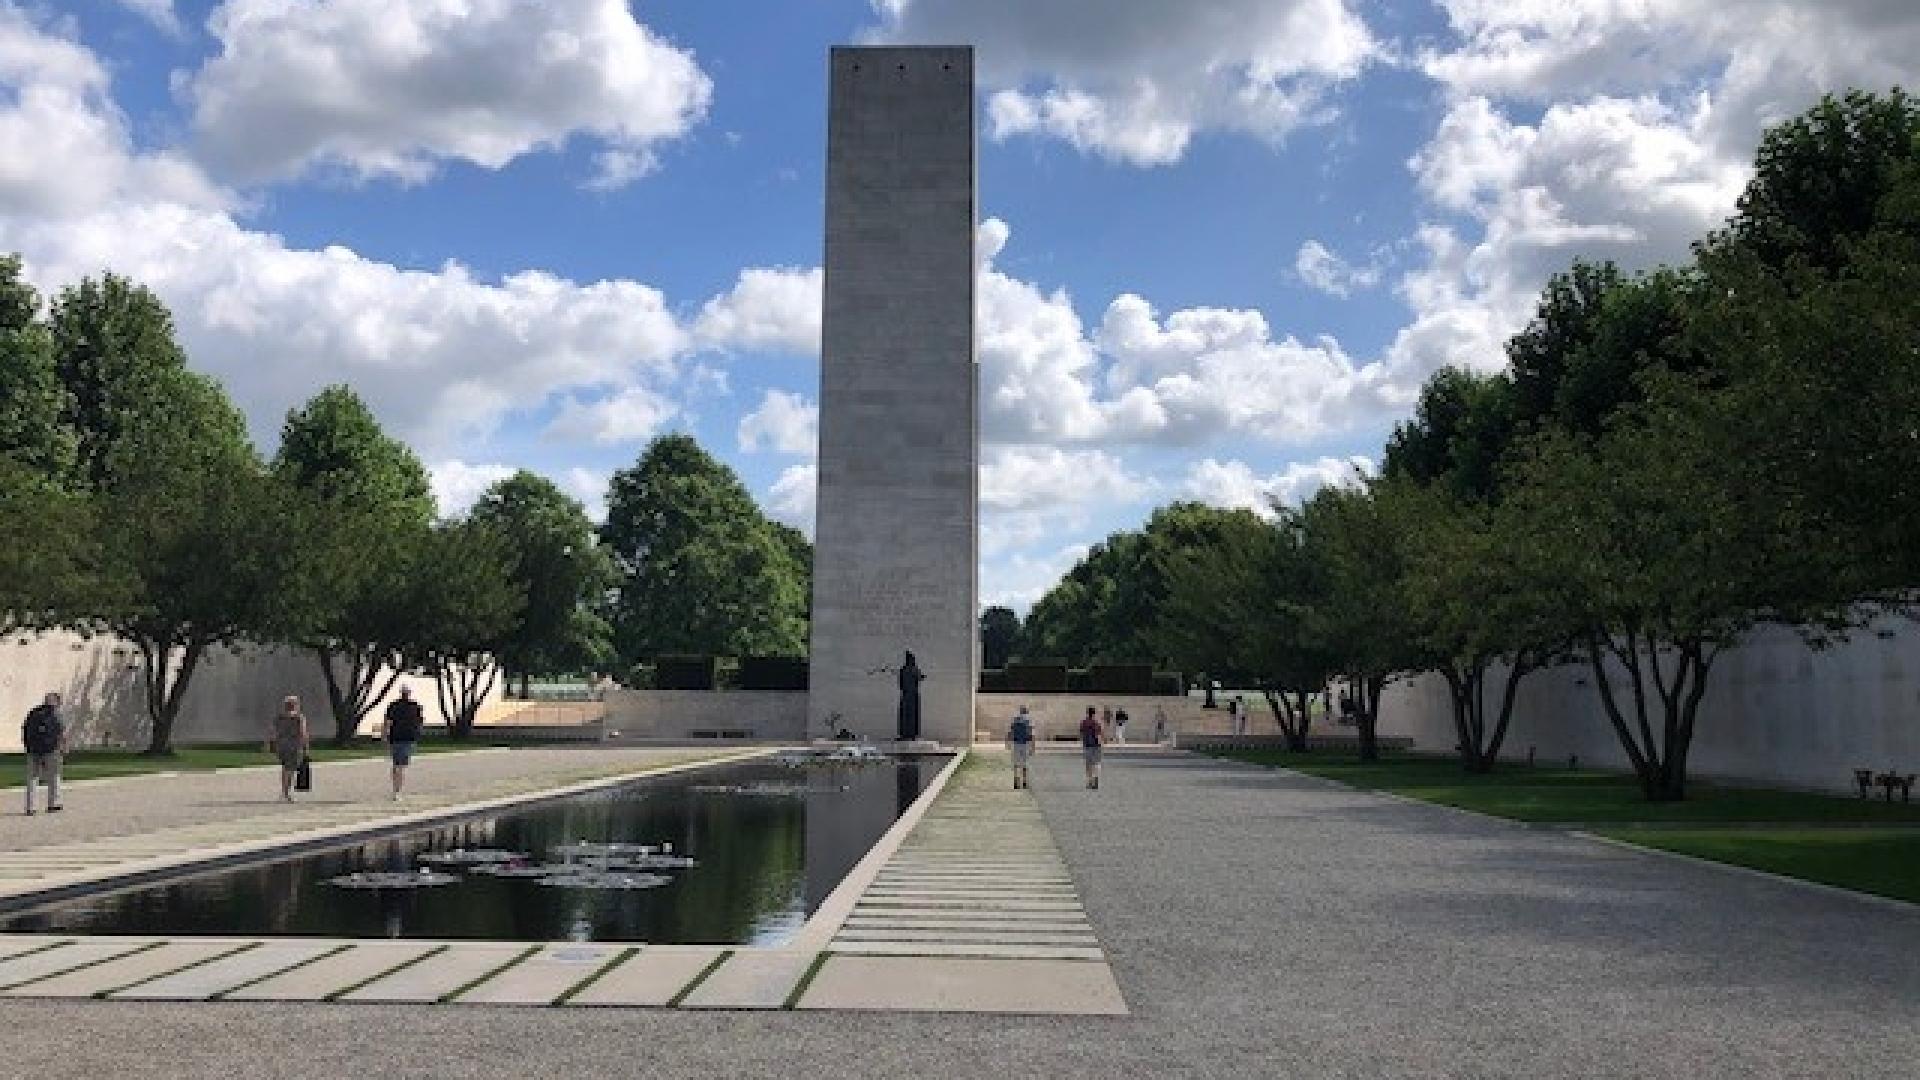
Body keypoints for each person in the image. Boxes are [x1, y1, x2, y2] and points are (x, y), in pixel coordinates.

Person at [21, 692, 66, 816]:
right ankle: (53, 803)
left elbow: (24, 729)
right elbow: (61, 732)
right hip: (50, 750)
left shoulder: (33, 713)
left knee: (32, 778)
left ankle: (31, 807)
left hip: (33, 750)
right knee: (54, 776)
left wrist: (27, 746)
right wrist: (62, 747)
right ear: (56, 702)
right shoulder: (56, 715)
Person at [381, 685, 426, 801]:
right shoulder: (414, 706)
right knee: (400, 766)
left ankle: (396, 789)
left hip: (397, 738)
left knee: (397, 765)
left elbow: (387, 722)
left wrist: (384, 735)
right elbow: (420, 722)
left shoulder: (395, 706)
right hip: (405, 738)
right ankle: (397, 791)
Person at [268, 695, 309, 803]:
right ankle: (285, 793)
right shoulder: (299, 717)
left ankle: (284, 791)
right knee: (290, 769)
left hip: (281, 745)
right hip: (294, 745)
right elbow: (302, 732)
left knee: (285, 768)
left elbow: (273, 732)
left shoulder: (279, 717)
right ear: (295, 705)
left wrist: (272, 744)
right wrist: (305, 747)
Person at [1005, 705, 1035, 790]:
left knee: (1016, 763)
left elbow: (1010, 732)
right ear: (1027, 712)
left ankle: (1016, 781)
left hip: (1016, 743)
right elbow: (1032, 734)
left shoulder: (1015, 720)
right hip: (1025, 743)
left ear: (1020, 711)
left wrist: (1007, 743)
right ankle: (1024, 782)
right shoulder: (1029, 721)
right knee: (1025, 764)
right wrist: (1033, 747)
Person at [1079, 706, 1104, 790]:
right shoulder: (1097, 723)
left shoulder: (1084, 722)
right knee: (1097, 763)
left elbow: (1081, 734)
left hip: (1087, 745)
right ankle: (1096, 779)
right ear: (1094, 713)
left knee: (1088, 764)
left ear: (1087, 713)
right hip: (1096, 745)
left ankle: (1090, 781)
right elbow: (1099, 734)